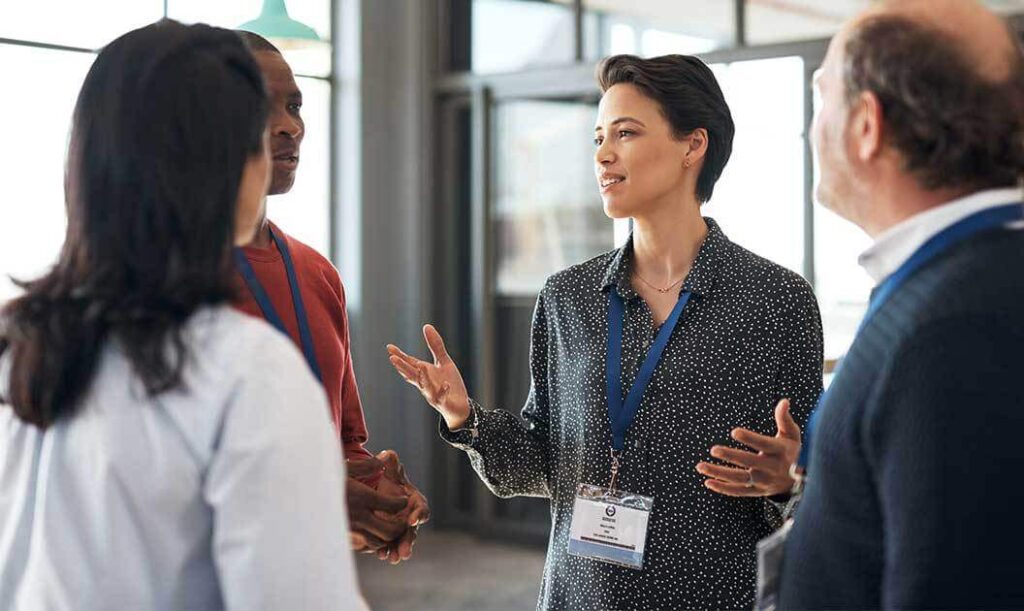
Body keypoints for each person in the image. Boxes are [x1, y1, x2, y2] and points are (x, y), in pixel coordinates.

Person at [387, 54, 823, 609]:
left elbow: (819, 489)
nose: (603, 154)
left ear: (693, 145)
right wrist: (462, 415)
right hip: (581, 595)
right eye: (599, 136)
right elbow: (542, 463)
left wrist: (791, 479)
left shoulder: (776, 300)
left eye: (626, 133)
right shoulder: (567, 298)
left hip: (718, 596)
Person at [0, 21, 366, 610]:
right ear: (216, 156)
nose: (287, 129)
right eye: (254, 119)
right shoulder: (245, 371)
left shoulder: (25, 342)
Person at [778, 1, 1024, 607]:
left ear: (867, 125)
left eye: (823, 95)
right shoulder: (958, 279)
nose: (813, 127)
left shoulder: (953, 330)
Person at [235, 31, 428, 563]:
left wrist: (380, 497)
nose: (289, 126)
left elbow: (340, 443)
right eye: (261, 106)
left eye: (295, 105)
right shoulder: (161, 280)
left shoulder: (316, 272)